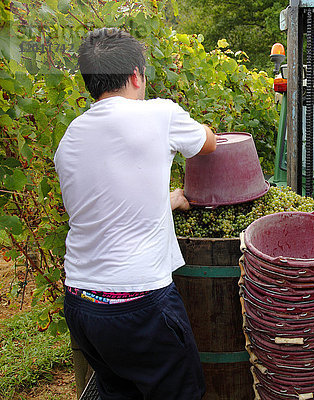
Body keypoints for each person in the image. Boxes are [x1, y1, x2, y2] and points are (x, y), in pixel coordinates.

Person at [54, 27, 216, 400]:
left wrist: (170, 199)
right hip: (139, 305)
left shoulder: (70, 139)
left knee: (119, 393)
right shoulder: (158, 114)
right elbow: (206, 144)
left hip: (82, 305)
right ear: (136, 75)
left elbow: (106, 207)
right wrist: (205, 129)